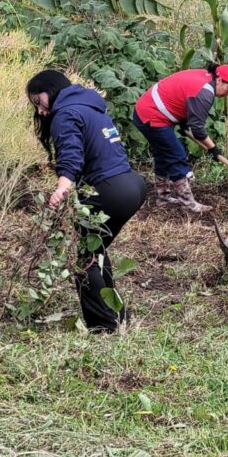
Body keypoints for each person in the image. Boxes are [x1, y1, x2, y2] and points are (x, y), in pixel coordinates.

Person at [27, 70, 147, 333]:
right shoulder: (90, 106)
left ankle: (104, 326)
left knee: (82, 257)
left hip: (110, 189)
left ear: (52, 90)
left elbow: (71, 157)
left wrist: (62, 189)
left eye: (39, 101)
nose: (40, 111)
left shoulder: (66, 113)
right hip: (131, 185)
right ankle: (117, 317)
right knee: (94, 251)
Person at [133, 63, 228, 213]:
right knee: (176, 155)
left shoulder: (207, 78)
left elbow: (185, 97)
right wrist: (213, 149)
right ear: (219, 80)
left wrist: (183, 123)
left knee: (163, 154)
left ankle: (163, 197)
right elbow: (198, 130)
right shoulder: (205, 93)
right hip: (152, 115)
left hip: (151, 110)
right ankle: (187, 202)